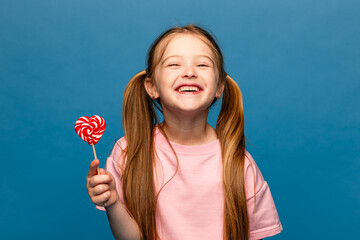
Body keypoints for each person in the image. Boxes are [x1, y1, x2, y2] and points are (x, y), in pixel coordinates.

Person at [86, 24, 282, 240]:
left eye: (202, 64)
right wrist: (113, 202)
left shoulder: (239, 164)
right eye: (173, 64)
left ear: (219, 87)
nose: (189, 72)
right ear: (151, 87)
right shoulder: (128, 152)